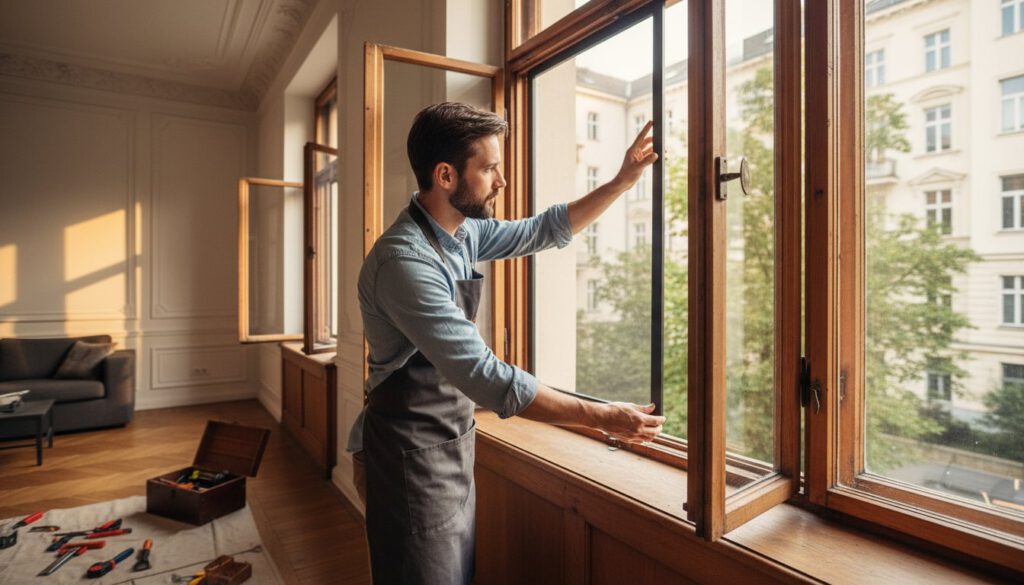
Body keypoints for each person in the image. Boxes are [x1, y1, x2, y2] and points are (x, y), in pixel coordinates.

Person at [348, 102, 664, 585]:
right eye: (490, 168)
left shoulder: (463, 233)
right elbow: (484, 375)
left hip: (451, 446)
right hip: (408, 459)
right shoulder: (404, 263)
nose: (502, 181)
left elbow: (543, 229)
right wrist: (601, 416)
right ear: (447, 175)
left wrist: (621, 182)